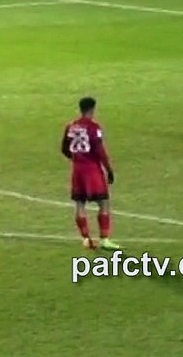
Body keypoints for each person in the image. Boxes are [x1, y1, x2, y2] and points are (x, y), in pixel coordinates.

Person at [61, 96, 119, 250]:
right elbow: (100, 151)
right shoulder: (93, 127)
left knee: (80, 203)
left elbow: (64, 149)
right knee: (103, 202)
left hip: (77, 169)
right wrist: (109, 169)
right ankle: (104, 239)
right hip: (92, 170)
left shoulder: (71, 126)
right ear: (92, 109)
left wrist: (76, 158)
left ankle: (86, 239)